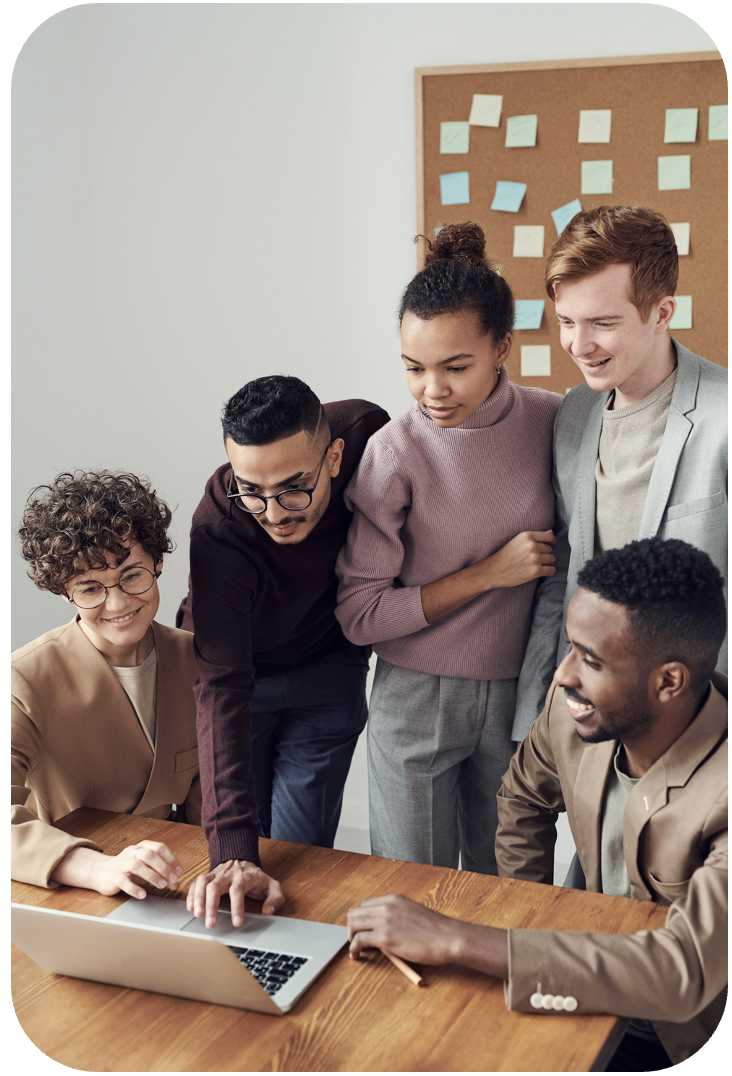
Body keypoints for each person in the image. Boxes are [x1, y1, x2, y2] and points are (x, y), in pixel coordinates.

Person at [347, 537, 727, 1071]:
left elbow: (682, 972)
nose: (562, 674)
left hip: (677, 1043)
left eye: (590, 660)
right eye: (570, 646)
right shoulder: (575, 709)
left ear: (669, 682)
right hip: (565, 992)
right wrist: (527, 935)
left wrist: (460, 938)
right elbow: (523, 800)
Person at [335, 223, 562, 875]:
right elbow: (360, 615)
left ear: (503, 349)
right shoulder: (396, 449)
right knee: (413, 890)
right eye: (413, 367)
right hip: (414, 695)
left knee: (510, 887)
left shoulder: (554, 420)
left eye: (455, 366)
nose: (432, 389)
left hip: (519, 689)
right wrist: (490, 574)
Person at [13, 470, 278, 914]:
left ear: (157, 562)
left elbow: (207, 805)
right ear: (64, 592)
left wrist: (217, 874)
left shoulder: (198, 661)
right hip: (63, 886)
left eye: (132, 575)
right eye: (90, 589)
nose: (117, 604)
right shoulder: (24, 678)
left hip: (172, 881)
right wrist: (98, 869)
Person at [177, 375, 388, 926]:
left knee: (300, 863)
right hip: (234, 679)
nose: (273, 512)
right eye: (251, 490)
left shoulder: (369, 434)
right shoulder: (220, 527)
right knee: (241, 860)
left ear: (336, 456)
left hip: (327, 668)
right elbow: (221, 684)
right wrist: (232, 853)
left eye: (294, 487)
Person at [513, 205, 727, 740]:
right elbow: (563, 574)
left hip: (701, 720)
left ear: (661, 312)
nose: (578, 345)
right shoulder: (573, 416)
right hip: (589, 714)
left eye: (603, 324)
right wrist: (535, 721)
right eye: (567, 321)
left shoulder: (725, 418)